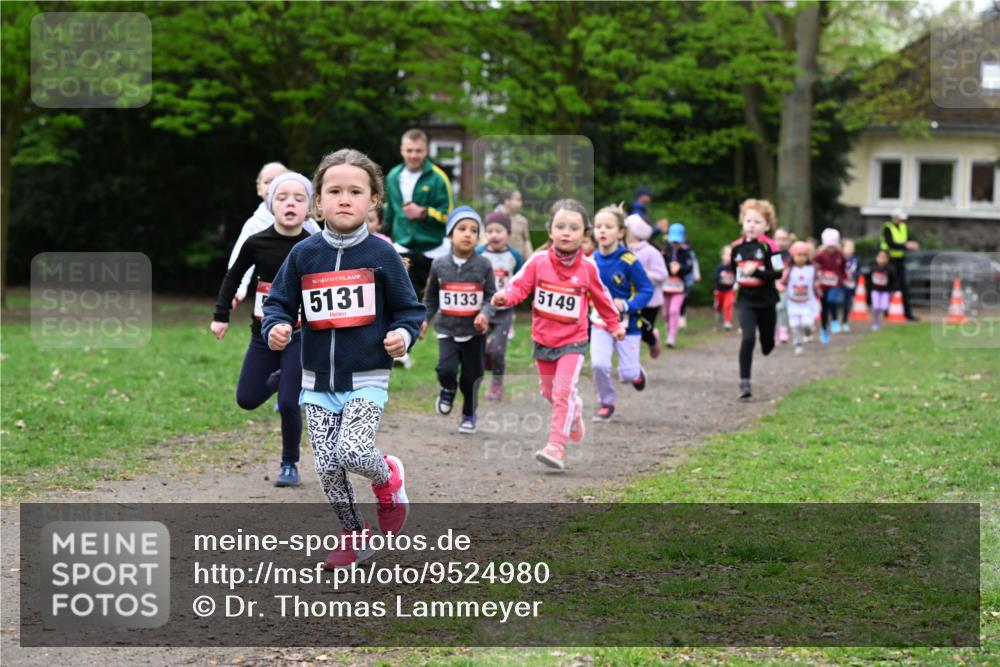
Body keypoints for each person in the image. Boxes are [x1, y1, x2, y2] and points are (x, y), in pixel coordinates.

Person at [262, 148, 425, 569]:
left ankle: (388, 476)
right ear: (319, 200)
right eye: (334, 191)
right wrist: (276, 327)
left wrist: (402, 336)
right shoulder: (303, 255)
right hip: (317, 381)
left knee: (353, 451)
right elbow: (278, 303)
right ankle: (354, 537)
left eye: (356, 191)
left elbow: (411, 311)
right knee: (328, 466)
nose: (344, 199)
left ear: (374, 200)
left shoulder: (383, 255)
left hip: (367, 375)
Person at [491, 199, 624, 471]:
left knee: (563, 391)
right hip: (543, 339)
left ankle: (556, 446)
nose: (566, 232)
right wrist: (505, 297)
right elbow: (520, 287)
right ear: (550, 231)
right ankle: (574, 412)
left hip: (573, 342)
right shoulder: (538, 261)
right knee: (549, 392)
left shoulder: (588, 268)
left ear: (584, 234)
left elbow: (603, 300)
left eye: (574, 228)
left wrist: (614, 325)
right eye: (560, 226)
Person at [212, 172, 313, 488]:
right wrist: (221, 315)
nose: (290, 204)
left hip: (300, 336)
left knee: (287, 404)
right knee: (247, 398)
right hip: (262, 335)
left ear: (309, 207)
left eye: (299, 198)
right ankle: (283, 376)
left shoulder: (314, 245)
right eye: (282, 198)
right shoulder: (257, 243)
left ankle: (289, 463)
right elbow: (233, 276)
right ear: (271, 205)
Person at [421, 206, 496, 433]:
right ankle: (448, 388)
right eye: (461, 229)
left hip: (474, 332)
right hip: (448, 329)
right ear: (451, 234)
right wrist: (424, 318)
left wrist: (484, 313)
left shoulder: (484, 265)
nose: (467, 234)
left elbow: (491, 296)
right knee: (446, 369)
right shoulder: (439, 264)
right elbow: (431, 296)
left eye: (473, 230)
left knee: (473, 376)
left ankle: (469, 414)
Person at [226, 162, 321, 309]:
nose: (272, 185)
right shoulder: (254, 224)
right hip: (269, 287)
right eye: (267, 182)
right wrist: (238, 289)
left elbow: (322, 246)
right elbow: (240, 258)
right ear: (259, 189)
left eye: (278, 179)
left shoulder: (305, 218)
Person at [590, 204, 653, 422]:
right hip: (599, 324)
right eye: (598, 226)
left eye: (608, 226)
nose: (602, 231)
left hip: (628, 325)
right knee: (598, 364)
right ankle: (606, 402)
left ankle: (636, 373)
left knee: (626, 375)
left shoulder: (629, 261)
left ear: (620, 232)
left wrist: (626, 305)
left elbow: (647, 289)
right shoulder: (591, 261)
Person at [384, 128, 455, 298]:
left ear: (426, 151)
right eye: (409, 150)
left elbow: (449, 216)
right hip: (403, 245)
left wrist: (423, 212)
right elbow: (391, 211)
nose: (414, 155)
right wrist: (382, 231)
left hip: (433, 249)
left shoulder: (438, 178)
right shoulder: (393, 176)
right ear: (402, 150)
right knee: (405, 298)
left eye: (418, 151)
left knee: (435, 301)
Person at [730, 199, 782, 400]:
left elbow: (777, 273)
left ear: (767, 226)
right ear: (742, 222)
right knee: (748, 338)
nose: (752, 225)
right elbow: (732, 271)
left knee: (767, 344)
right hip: (746, 300)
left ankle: (768, 342)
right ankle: (744, 382)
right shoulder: (736, 247)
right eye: (748, 220)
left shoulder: (771, 247)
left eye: (757, 222)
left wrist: (758, 272)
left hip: (767, 300)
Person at [476, 211, 524, 400]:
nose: (494, 235)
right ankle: (483, 366)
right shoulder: (479, 253)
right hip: (483, 309)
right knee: (480, 349)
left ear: (508, 232)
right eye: (490, 231)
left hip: (504, 311)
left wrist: (514, 300)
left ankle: (497, 384)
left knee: (498, 350)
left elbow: (521, 279)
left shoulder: (514, 255)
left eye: (499, 230)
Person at [626, 214, 668, 358]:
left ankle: (652, 339)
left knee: (644, 331)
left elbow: (662, 275)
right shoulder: (623, 250)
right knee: (630, 330)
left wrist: (645, 275)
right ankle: (631, 361)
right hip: (631, 299)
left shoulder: (651, 252)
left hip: (651, 301)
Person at [880, 207, 919, 321]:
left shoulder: (903, 226)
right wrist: (906, 245)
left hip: (900, 260)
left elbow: (907, 238)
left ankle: (908, 314)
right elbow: (890, 243)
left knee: (903, 287)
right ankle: (887, 311)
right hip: (889, 260)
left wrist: (911, 243)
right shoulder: (887, 228)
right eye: (900, 218)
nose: (901, 221)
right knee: (890, 286)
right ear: (895, 218)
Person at [782, 241, 819, 356]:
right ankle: (798, 344)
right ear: (793, 256)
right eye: (798, 255)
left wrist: (817, 286)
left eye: (804, 255)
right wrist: (780, 286)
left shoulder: (812, 269)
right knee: (795, 325)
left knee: (806, 323)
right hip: (793, 303)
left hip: (807, 302)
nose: (801, 258)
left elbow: (816, 281)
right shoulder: (789, 270)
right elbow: (783, 282)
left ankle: (808, 332)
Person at [812, 228, 847, 345]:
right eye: (829, 247)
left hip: (835, 284)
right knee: (824, 308)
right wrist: (817, 275)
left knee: (832, 300)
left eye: (833, 246)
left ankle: (835, 320)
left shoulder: (840, 255)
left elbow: (843, 268)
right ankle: (824, 330)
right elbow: (813, 264)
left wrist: (843, 279)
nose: (831, 249)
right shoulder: (821, 255)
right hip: (823, 286)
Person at [662, 223, 694, 349]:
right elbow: (659, 266)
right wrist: (668, 268)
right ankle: (669, 328)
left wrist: (680, 268)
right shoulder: (665, 251)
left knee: (674, 311)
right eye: (673, 241)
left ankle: (671, 337)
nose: (675, 243)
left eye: (677, 241)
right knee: (665, 313)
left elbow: (689, 268)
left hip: (679, 288)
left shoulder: (687, 252)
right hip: (665, 288)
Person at [494, 189, 533, 259]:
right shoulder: (495, 218)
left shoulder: (522, 220)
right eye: (518, 200)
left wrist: (530, 259)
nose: (521, 203)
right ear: (507, 201)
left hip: (519, 261)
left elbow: (526, 241)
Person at [867, 249, 897, 331]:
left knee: (884, 307)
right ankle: (875, 322)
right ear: (876, 257)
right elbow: (869, 280)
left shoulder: (890, 269)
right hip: (875, 290)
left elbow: (893, 280)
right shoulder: (873, 268)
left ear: (887, 259)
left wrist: (892, 290)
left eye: (884, 257)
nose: (882, 259)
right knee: (876, 306)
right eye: (880, 256)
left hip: (885, 291)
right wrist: (868, 290)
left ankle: (881, 319)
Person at [773, 227, 792, 344]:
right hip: (773, 286)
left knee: (782, 308)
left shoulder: (791, 255)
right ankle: (774, 331)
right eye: (779, 239)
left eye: (784, 239)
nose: (781, 242)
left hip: (786, 287)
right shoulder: (772, 254)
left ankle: (783, 330)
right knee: (774, 309)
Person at [713, 245, 736, 330]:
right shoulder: (719, 267)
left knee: (728, 305)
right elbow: (715, 277)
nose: (729, 257)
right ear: (722, 256)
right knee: (719, 305)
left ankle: (727, 321)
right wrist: (721, 280)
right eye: (727, 255)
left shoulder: (734, 267)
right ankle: (718, 313)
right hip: (719, 290)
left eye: (731, 255)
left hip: (729, 290)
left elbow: (737, 277)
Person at [840, 238, 859, 333]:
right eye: (848, 247)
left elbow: (859, 271)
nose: (850, 249)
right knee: (839, 302)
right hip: (841, 285)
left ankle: (845, 321)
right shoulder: (839, 259)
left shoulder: (856, 260)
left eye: (852, 247)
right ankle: (835, 320)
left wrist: (854, 275)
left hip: (851, 285)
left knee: (848, 304)